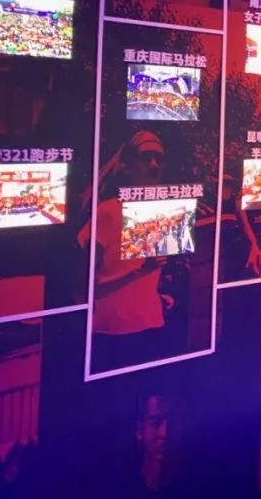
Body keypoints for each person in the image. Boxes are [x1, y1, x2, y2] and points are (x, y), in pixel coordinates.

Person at [80, 131, 170, 373]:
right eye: (146, 158)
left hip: (151, 325)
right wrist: (136, 274)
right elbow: (84, 284)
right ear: (128, 165)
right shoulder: (108, 212)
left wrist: (158, 293)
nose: (154, 165)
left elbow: (149, 275)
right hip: (113, 332)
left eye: (159, 159)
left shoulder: (160, 212)